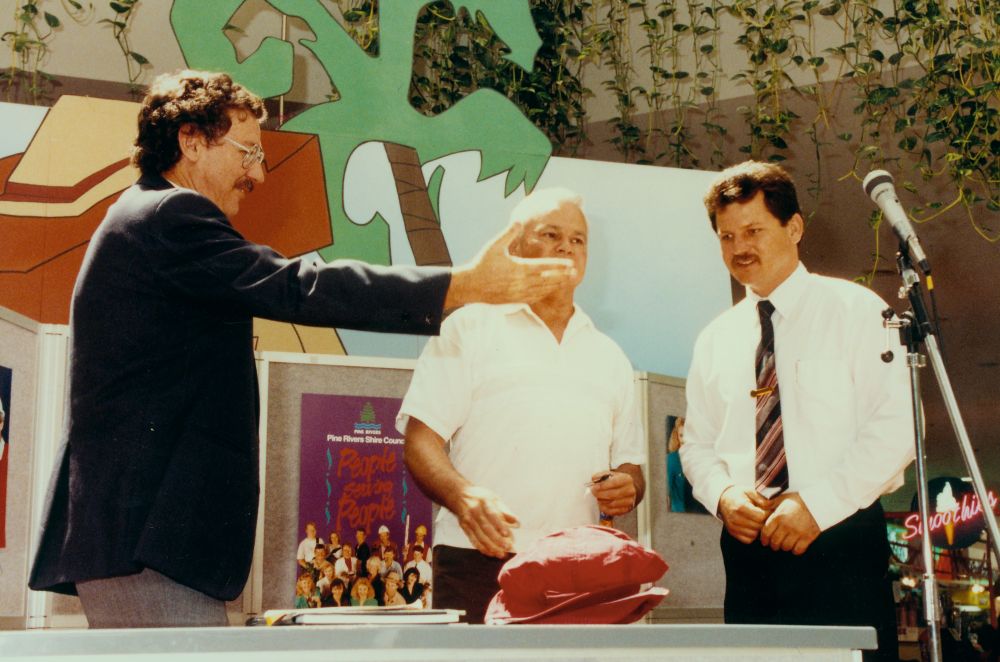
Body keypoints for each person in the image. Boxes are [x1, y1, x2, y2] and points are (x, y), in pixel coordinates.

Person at [26, 70, 576, 629]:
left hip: (142, 540)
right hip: (147, 541)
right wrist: (461, 286)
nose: (258, 174)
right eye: (247, 153)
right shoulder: (170, 216)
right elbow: (298, 287)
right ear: (191, 141)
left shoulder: (146, 219)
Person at [679, 161, 915, 662]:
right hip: (748, 556)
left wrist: (816, 505)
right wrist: (722, 495)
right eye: (726, 236)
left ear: (794, 228)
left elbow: (898, 431)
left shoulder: (859, 312)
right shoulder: (714, 339)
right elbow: (696, 444)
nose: (739, 247)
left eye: (754, 230)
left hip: (841, 541)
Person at [397, 188, 646, 623]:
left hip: (577, 566)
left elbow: (632, 470)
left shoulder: (611, 357)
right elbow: (421, 442)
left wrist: (627, 485)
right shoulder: (468, 329)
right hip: (478, 557)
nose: (567, 246)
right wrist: (464, 496)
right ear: (515, 247)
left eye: (578, 239)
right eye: (551, 234)